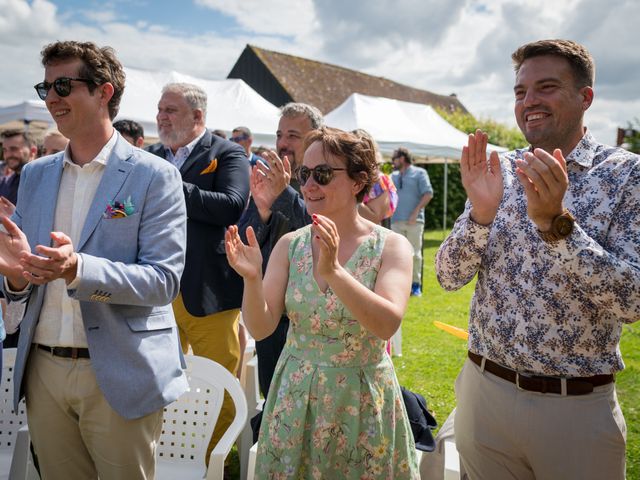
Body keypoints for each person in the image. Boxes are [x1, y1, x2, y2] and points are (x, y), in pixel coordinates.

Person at [436, 39, 639, 479]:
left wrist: (557, 225)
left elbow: (633, 301)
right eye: (520, 91)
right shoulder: (498, 170)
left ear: (585, 97)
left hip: (574, 412)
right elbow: (448, 275)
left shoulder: (626, 175)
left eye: (546, 87)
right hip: (483, 395)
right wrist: (480, 216)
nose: (529, 101)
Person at [0, 40, 188, 480]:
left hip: (121, 371)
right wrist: (16, 276)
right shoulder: (35, 174)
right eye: (45, 87)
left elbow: (163, 281)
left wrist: (78, 268)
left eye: (63, 85)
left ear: (104, 92)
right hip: (43, 369)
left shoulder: (154, 175)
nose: (51, 98)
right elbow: (28, 271)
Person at [226, 126, 420, 478]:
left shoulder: (391, 247)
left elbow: (387, 323)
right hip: (295, 397)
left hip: (360, 402)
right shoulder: (290, 245)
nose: (309, 185)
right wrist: (252, 278)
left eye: (323, 174)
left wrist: (333, 272)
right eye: (305, 174)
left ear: (359, 181)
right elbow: (260, 326)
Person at [146, 82, 249, 464]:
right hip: (157, 290)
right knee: (159, 380)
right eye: (160, 109)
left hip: (208, 292)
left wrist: (171, 185)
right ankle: (164, 454)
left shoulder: (227, 153)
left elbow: (232, 205)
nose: (161, 116)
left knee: (217, 383)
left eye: (170, 110)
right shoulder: (152, 155)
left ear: (197, 117)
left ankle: (208, 462)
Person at [236, 102, 323, 403]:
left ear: (315, 137)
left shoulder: (325, 181)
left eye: (293, 135)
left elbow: (317, 232)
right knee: (272, 398)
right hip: (269, 315)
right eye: (279, 135)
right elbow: (246, 244)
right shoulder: (269, 180)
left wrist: (283, 196)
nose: (283, 143)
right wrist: (260, 209)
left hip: (312, 319)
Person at [390, 147, 433, 296]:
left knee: (414, 254)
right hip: (395, 221)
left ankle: (415, 285)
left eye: (394, 158)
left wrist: (415, 212)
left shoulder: (420, 173)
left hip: (414, 221)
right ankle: (399, 285)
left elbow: (428, 194)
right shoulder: (392, 176)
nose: (392, 162)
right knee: (395, 255)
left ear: (402, 158)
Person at [353, 129, 398, 228]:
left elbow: (374, 218)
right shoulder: (349, 176)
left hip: (368, 236)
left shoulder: (379, 181)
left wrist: (349, 197)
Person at [0, 129, 37, 205]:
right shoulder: (6, 182)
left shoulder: (43, 181)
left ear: (32, 151)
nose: (8, 155)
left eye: (14, 149)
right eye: (5, 150)